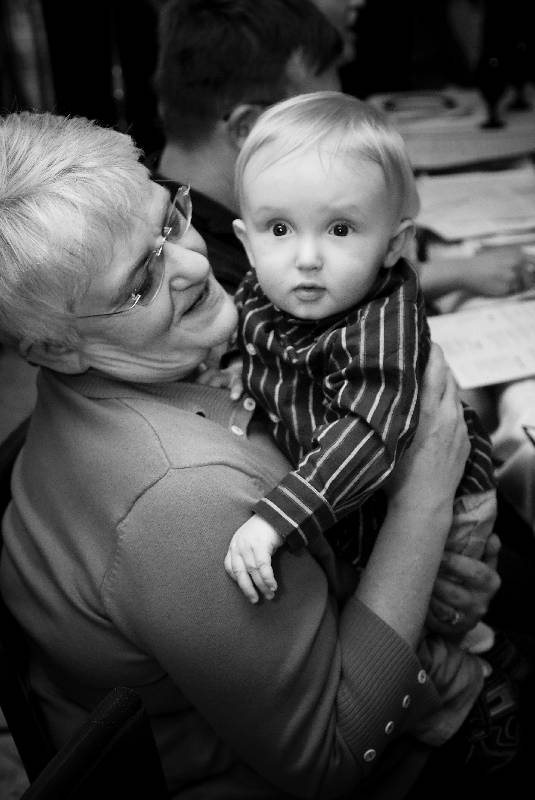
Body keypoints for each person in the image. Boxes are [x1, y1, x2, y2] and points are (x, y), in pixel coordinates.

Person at [0, 110, 514, 800]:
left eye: (169, 221)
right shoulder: (182, 499)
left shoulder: (111, 379)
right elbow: (328, 757)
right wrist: (423, 506)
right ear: (56, 347)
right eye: (140, 282)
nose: (193, 264)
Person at [223, 92, 496, 652]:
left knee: (435, 612)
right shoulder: (264, 289)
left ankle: (462, 673)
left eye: (341, 229)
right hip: (350, 492)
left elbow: (367, 435)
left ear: (393, 245)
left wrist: (277, 519)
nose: (306, 257)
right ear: (246, 244)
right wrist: (236, 367)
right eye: (279, 229)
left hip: (439, 492)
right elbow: (249, 334)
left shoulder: (379, 328)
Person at [152, 0, 343, 294]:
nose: (340, 143)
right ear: (250, 128)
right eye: (325, 122)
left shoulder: (151, 203)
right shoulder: (215, 287)